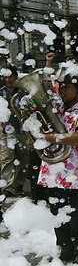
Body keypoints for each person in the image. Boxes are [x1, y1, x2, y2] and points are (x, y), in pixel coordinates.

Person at [35, 62, 78, 264]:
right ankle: (65, 249)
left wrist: (52, 138)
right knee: (58, 215)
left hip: (75, 175)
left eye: (67, 86)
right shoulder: (56, 107)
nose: (62, 89)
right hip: (54, 171)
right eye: (60, 85)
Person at [0, 65, 29, 197]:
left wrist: (19, 111)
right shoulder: (0, 92)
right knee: (7, 159)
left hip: (22, 129)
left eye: (10, 77)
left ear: (16, 77)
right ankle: (7, 187)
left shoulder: (23, 92)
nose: (7, 80)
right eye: (5, 77)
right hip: (6, 130)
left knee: (23, 159)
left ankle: (18, 185)